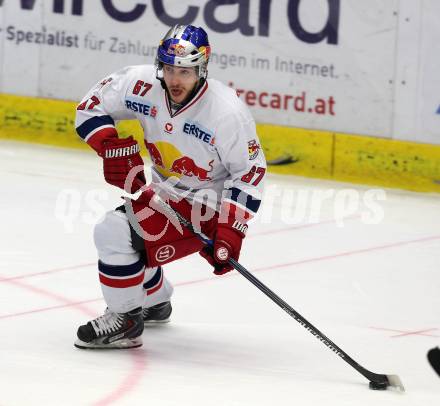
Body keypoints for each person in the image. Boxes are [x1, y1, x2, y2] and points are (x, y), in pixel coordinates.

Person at [74, 24, 266, 349]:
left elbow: (249, 172)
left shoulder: (226, 112)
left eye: (185, 71)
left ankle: (125, 319)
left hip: (207, 207)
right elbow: (90, 105)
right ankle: (153, 300)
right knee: (130, 235)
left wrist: (231, 230)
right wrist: (109, 145)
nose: (175, 80)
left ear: (202, 69)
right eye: (169, 68)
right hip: (164, 195)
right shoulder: (141, 83)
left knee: (113, 231)